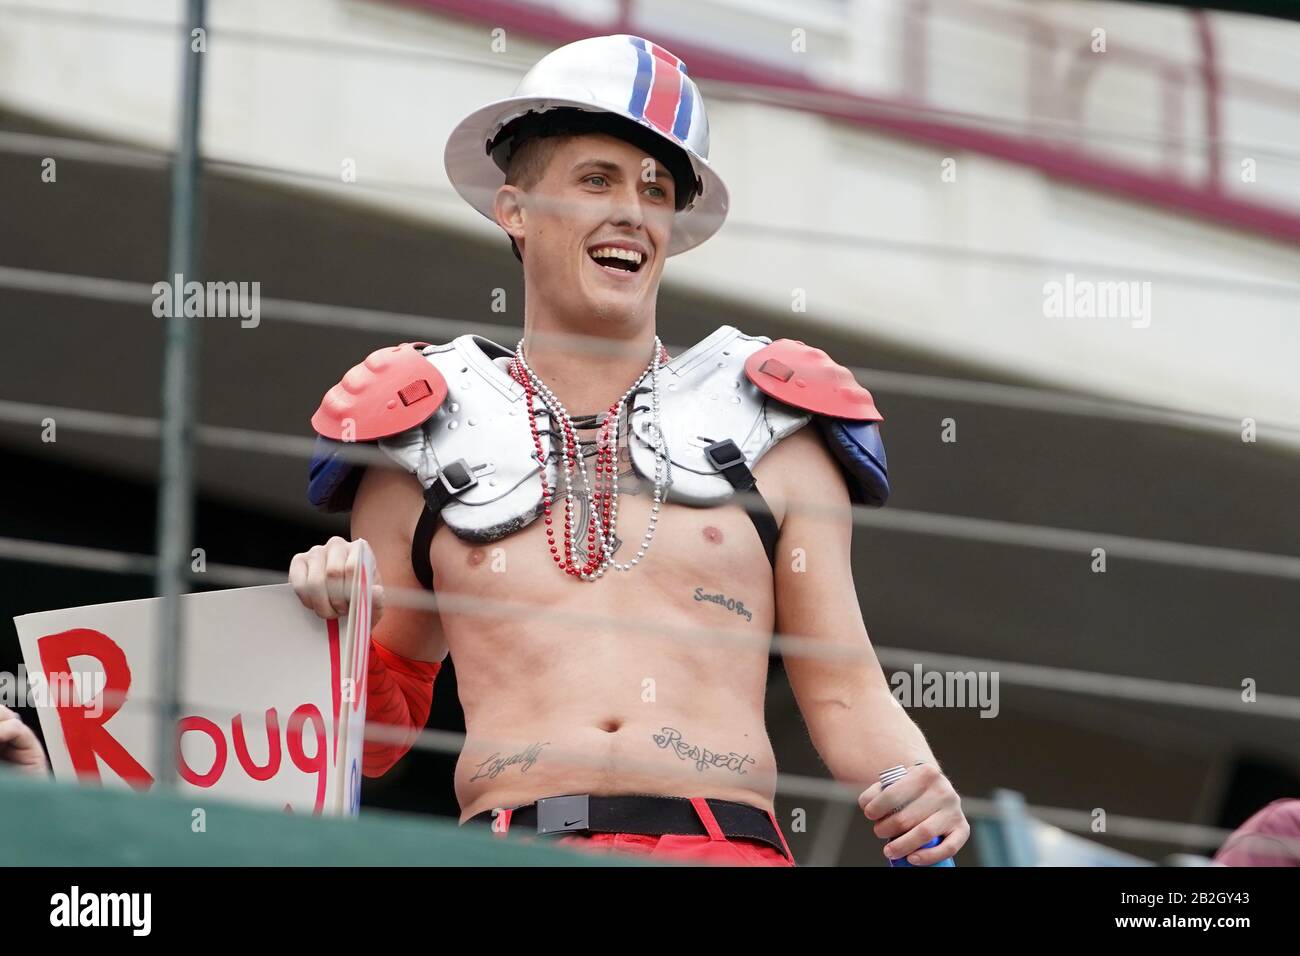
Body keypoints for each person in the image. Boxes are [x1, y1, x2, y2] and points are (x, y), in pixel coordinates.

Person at [293, 34, 967, 866]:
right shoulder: (419, 431)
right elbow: (368, 743)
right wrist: (328, 630)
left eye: (656, 189)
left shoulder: (774, 427)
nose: (632, 211)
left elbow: (844, 689)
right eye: (596, 180)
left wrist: (917, 782)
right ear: (515, 210)